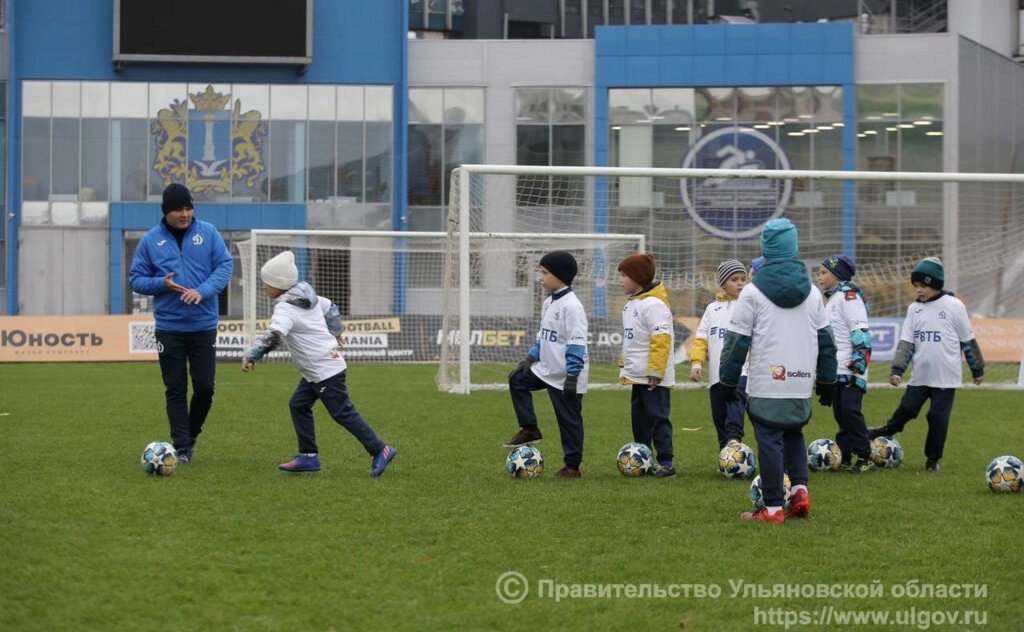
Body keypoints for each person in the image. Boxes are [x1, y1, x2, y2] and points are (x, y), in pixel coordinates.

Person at [720, 218, 837, 523]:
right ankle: (800, 492)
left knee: (769, 438)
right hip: (800, 380)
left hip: (766, 380)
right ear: (794, 247)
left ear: (766, 250)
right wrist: (827, 378)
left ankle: (772, 508)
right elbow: (826, 339)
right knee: (794, 433)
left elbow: (736, 342)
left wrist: (727, 379)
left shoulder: (752, 293)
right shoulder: (812, 293)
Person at [242, 251, 397, 476]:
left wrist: (251, 355)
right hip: (318, 369)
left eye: (266, 283)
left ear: (278, 284)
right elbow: (330, 307)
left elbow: (274, 336)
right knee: (298, 405)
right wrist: (336, 331)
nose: (264, 287)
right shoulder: (308, 298)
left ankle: (380, 449)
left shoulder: (285, 308)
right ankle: (308, 457)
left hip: (325, 370)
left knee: (342, 412)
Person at [129, 183, 233, 463]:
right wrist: (160, 284)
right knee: (175, 388)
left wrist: (203, 291)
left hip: (203, 325)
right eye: (178, 209)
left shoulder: (208, 233)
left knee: (205, 388)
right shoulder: (151, 241)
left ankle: (191, 434)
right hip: (169, 327)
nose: (185, 213)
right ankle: (183, 447)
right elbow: (135, 279)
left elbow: (225, 266)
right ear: (166, 212)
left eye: (188, 207)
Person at [868, 257, 985, 472]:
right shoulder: (914, 309)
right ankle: (888, 429)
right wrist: (897, 370)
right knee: (907, 409)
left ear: (935, 284)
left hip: (946, 378)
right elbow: (907, 343)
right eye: (916, 286)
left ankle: (933, 460)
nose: (919, 291)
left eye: (923, 286)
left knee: (937, 418)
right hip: (920, 375)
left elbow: (967, 340)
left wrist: (977, 369)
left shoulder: (954, 306)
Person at [503, 251, 589, 478]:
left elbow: (576, 345)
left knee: (568, 421)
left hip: (566, 376)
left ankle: (572, 467)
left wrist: (572, 377)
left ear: (559, 276)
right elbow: (543, 337)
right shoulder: (549, 302)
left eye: (544, 272)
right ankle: (530, 429)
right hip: (546, 369)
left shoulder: (572, 307)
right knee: (517, 380)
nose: (540, 277)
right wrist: (529, 359)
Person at [617, 253, 676, 478]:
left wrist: (655, 371)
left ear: (638, 277)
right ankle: (643, 458)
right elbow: (632, 340)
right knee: (639, 419)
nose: (621, 280)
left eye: (624, 275)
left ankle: (666, 462)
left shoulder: (654, 305)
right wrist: (626, 365)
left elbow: (661, 339)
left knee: (657, 417)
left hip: (654, 378)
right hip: (637, 376)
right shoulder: (631, 305)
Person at [818, 255, 875, 472]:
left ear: (837, 275)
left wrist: (858, 363)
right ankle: (845, 456)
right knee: (841, 413)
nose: (819, 277)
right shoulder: (832, 300)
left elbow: (860, 330)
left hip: (851, 367)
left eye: (824, 273)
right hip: (838, 368)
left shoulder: (849, 298)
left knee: (851, 411)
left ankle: (865, 456)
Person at [691, 259, 748, 450]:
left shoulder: (748, 306)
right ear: (723, 283)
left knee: (735, 402)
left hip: (742, 371)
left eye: (743, 279)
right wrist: (697, 363)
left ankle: (734, 438)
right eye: (734, 279)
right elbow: (701, 338)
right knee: (719, 415)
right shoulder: (711, 309)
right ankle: (727, 453)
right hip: (716, 375)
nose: (740, 283)